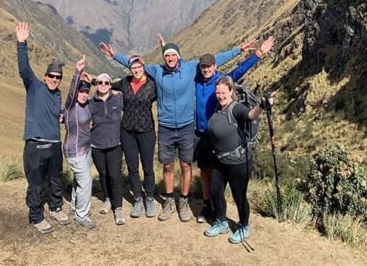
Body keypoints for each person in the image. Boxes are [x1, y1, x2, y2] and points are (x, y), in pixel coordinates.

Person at [100, 38, 248, 223]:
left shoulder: (190, 68)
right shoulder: (157, 70)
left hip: (186, 126)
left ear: (178, 57)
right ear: (164, 57)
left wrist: (238, 50)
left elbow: (215, 60)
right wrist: (115, 56)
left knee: (186, 165)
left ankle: (183, 201)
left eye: (173, 55)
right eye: (167, 55)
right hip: (166, 127)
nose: (170, 58)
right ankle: (169, 200)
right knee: (168, 165)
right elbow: (136, 66)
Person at [193, 36, 275, 224]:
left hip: (218, 135)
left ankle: (220, 210)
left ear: (214, 67)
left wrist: (258, 54)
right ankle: (208, 206)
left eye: (209, 66)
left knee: (217, 173)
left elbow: (239, 71)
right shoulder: (196, 81)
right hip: (201, 134)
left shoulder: (220, 82)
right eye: (203, 67)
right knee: (205, 172)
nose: (206, 70)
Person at [205, 76, 273, 244]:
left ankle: (244, 226)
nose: (220, 96)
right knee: (215, 191)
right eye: (217, 92)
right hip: (220, 161)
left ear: (231, 92)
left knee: (239, 196)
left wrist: (262, 106)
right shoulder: (217, 108)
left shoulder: (236, 108)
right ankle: (221, 222)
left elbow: (250, 115)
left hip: (239, 163)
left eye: (223, 92)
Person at [16, 21, 68, 234]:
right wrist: (21, 43)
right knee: (36, 184)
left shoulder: (57, 95)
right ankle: (36, 216)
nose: (55, 80)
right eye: (52, 76)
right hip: (36, 145)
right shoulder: (34, 85)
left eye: (58, 77)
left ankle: (56, 207)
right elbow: (24, 68)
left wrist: (62, 115)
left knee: (56, 179)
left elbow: (56, 113)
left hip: (54, 145)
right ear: (45, 76)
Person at [112, 55, 157, 218]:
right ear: (130, 69)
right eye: (133, 68)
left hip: (146, 130)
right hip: (127, 130)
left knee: (147, 167)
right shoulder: (124, 82)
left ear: (143, 67)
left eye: (139, 67)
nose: (136, 70)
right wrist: (93, 80)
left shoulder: (153, 84)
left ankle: (150, 198)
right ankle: (138, 199)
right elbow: (108, 86)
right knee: (132, 167)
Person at [63, 55, 95, 229]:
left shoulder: (87, 105)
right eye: (80, 92)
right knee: (86, 181)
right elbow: (71, 91)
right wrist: (78, 71)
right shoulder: (70, 106)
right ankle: (81, 215)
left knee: (79, 180)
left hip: (86, 149)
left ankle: (76, 205)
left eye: (86, 92)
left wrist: (93, 81)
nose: (83, 95)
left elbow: (104, 93)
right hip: (74, 151)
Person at [89, 73, 125, 225]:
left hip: (115, 144)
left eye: (106, 82)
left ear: (111, 85)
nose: (103, 84)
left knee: (114, 176)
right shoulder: (91, 103)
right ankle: (107, 199)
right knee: (103, 174)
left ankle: (118, 208)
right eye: (99, 82)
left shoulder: (118, 98)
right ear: (96, 84)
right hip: (96, 145)